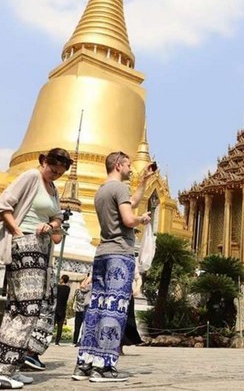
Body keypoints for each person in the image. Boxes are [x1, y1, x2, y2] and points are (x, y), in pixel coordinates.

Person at [71, 152, 153, 383]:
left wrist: (144, 181)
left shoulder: (102, 190)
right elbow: (128, 219)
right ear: (118, 165)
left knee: (96, 307)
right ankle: (104, 366)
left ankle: (84, 363)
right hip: (120, 253)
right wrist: (142, 220)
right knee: (114, 308)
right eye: (128, 165)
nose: (130, 168)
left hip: (102, 254)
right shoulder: (119, 188)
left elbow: (131, 203)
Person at [0, 147, 72, 389]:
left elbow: (58, 220)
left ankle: (14, 364)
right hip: (24, 245)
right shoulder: (31, 177)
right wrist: (19, 233)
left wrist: (51, 224)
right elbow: (4, 204)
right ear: (44, 162)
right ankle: (3, 367)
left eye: (60, 173)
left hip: (42, 251)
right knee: (25, 308)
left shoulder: (53, 189)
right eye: (53, 170)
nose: (55, 175)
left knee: (30, 309)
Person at [72, 274, 92, 346]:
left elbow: (82, 286)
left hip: (82, 309)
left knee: (81, 326)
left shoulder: (89, 287)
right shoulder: (88, 289)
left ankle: (78, 341)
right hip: (83, 308)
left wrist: (87, 278)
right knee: (84, 325)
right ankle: (80, 340)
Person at [54, 274, 71, 345]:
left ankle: (48, 338)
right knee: (60, 326)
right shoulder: (68, 288)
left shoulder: (58, 287)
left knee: (52, 324)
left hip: (56, 307)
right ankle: (57, 341)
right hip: (63, 308)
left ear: (62, 279)